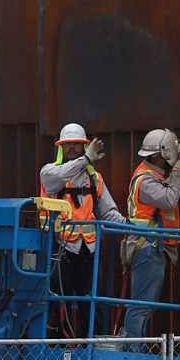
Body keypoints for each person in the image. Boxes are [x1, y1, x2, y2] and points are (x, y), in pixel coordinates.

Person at [39, 122, 126, 338]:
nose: (72, 149)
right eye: (68, 145)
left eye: (77, 145)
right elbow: (62, 175)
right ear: (60, 147)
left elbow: (109, 212)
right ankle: (56, 348)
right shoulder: (51, 173)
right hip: (60, 248)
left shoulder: (94, 179)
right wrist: (86, 159)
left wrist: (131, 227)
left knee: (90, 302)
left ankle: (89, 346)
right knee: (59, 302)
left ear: (83, 146)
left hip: (89, 249)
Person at [121, 128, 180, 347]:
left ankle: (134, 347)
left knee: (145, 305)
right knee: (141, 305)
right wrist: (177, 175)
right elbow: (169, 200)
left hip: (151, 247)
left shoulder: (153, 176)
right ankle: (133, 351)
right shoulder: (147, 181)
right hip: (147, 247)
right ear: (161, 154)